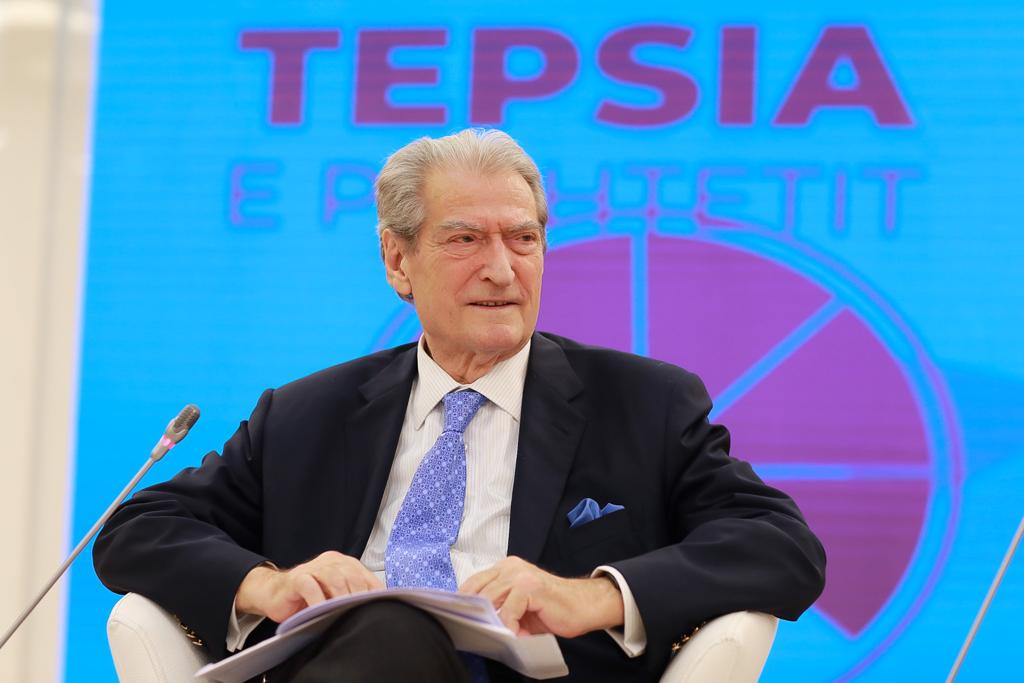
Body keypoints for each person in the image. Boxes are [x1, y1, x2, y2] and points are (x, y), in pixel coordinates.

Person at [94, 128, 826, 682]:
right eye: (466, 239)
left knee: (391, 625)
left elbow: (782, 546)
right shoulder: (308, 415)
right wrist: (271, 585)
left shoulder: (643, 404)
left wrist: (591, 596)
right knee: (387, 626)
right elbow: (137, 531)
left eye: (523, 238)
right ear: (398, 261)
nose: (502, 269)